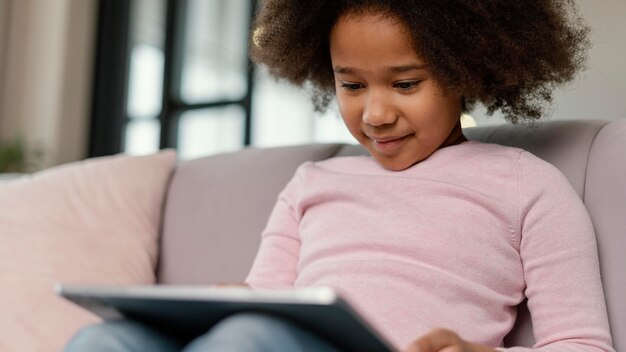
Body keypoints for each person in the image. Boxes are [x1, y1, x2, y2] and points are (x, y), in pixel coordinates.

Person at [66, 1, 615, 351]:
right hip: (269, 342)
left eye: (404, 84)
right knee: (104, 340)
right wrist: (236, 299)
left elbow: (582, 344)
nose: (374, 115)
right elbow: (267, 303)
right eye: (351, 86)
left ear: (467, 69)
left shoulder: (527, 185)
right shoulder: (312, 182)